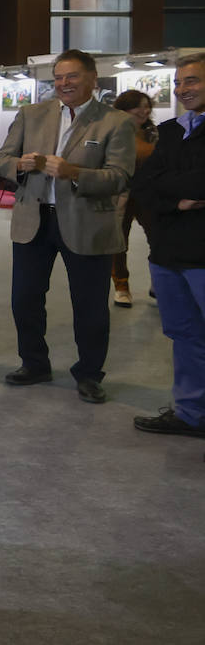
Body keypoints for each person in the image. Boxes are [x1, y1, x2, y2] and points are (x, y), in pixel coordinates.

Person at [0, 48, 136, 404]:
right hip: (34, 221)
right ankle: (34, 364)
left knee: (89, 306)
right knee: (24, 298)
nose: (63, 83)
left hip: (87, 224)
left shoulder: (115, 122)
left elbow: (120, 178)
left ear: (92, 79)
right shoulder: (31, 114)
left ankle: (89, 374)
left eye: (71, 76)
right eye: (57, 77)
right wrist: (20, 165)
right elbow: (1, 159)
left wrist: (75, 174)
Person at [130, 53, 205, 441]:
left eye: (191, 81)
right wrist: (178, 201)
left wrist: (174, 187)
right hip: (168, 253)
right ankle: (192, 414)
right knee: (185, 335)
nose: (181, 89)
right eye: (178, 83)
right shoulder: (173, 130)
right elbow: (145, 186)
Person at [109, 89, 159, 307]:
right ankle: (121, 286)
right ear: (124, 109)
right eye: (138, 106)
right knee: (119, 243)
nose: (144, 110)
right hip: (121, 194)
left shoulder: (154, 133)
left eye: (147, 106)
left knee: (159, 239)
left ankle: (158, 282)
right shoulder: (114, 132)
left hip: (149, 194)